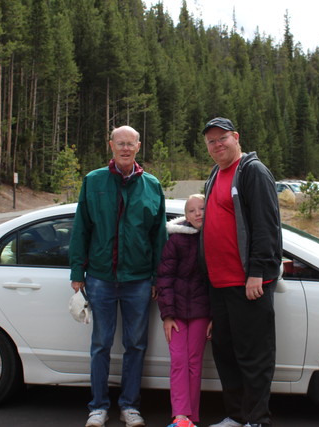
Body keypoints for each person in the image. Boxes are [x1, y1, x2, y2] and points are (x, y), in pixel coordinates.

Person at [69, 125, 168, 427]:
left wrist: (157, 278)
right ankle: (97, 407)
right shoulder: (94, 181)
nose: (125, 148)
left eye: (131, 144)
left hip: (138, 281)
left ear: (139, 146)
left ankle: (130, 406)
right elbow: (81, 228)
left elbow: (159, 237)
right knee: (100, 344)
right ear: (110, 145)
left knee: (136, 345)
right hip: (100, 278)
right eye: (120, 143)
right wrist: (77, 271)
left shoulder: (152, 186)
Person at [200, 117, 282, 427]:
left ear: (236, 137)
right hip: (220, 284)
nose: (217, 145)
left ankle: (256, 419)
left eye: (222, 138)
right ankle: (236, 416)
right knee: (226, 355)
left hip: (247, 282)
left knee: (253, 356)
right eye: (211, 141)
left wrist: (257, 273)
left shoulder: (252, 171)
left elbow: (266, 225)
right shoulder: (216, 174)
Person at [156, 194, 212, 427]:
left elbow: (216, 282)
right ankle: (180, 415)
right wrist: (167, 315)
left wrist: (214, 317)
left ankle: (192, 417)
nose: (198, 213)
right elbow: (165, 278)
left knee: (193, 361)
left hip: (201, 313)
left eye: (202, 208)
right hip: (177, 313)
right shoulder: (177, 240)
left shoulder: (213, 238)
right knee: (178, 360)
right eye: (192, 211)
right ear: (186, 216)